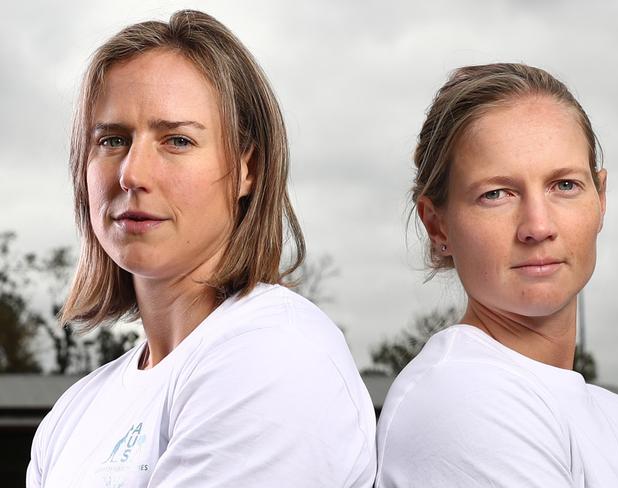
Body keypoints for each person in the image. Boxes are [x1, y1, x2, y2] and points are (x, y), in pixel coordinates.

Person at [27, 10, 376, 487]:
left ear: (247, 169)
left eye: (177, 140)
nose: (132, 174)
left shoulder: (276, 356)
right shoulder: (72, 416)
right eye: (112, 140)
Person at [375, 63, 618, 487]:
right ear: (438, 225)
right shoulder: (462, 400)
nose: (538, 227)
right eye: (496, 194)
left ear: (601, 198)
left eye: (564, 186)